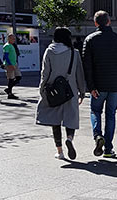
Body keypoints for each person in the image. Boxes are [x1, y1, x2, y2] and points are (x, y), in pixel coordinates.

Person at [82, 11, 117, 158]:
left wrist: (90, 87)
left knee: (95, 111)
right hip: (116, 85)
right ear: (109, 22)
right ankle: (108, 149)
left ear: (95, 23)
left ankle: (98, 136)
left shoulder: (90, 40)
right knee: (111, 115)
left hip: (98, 85)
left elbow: (87, 66)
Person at [36, 28, 86, 160]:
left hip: (54, 90)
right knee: (71, 117)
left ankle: (60, 151)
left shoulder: (49, 51)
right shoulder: (74, 53)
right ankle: (69, 138)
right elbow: (79, 73)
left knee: (55, 120)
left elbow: (45, 73)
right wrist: (82, 91)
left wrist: (42, 89)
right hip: (71, 90)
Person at [3, 34, 22, 99]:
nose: (14, 40)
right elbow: (5, 56)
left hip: (14, 63)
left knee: (18, 77)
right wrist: (10, 64)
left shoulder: (12, 45)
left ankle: (8, 89)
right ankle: (10, 93)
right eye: (12, 39)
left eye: (14, 39)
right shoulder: (7, 46)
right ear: (8, 39)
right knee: (11, 79)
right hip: (10, 64)